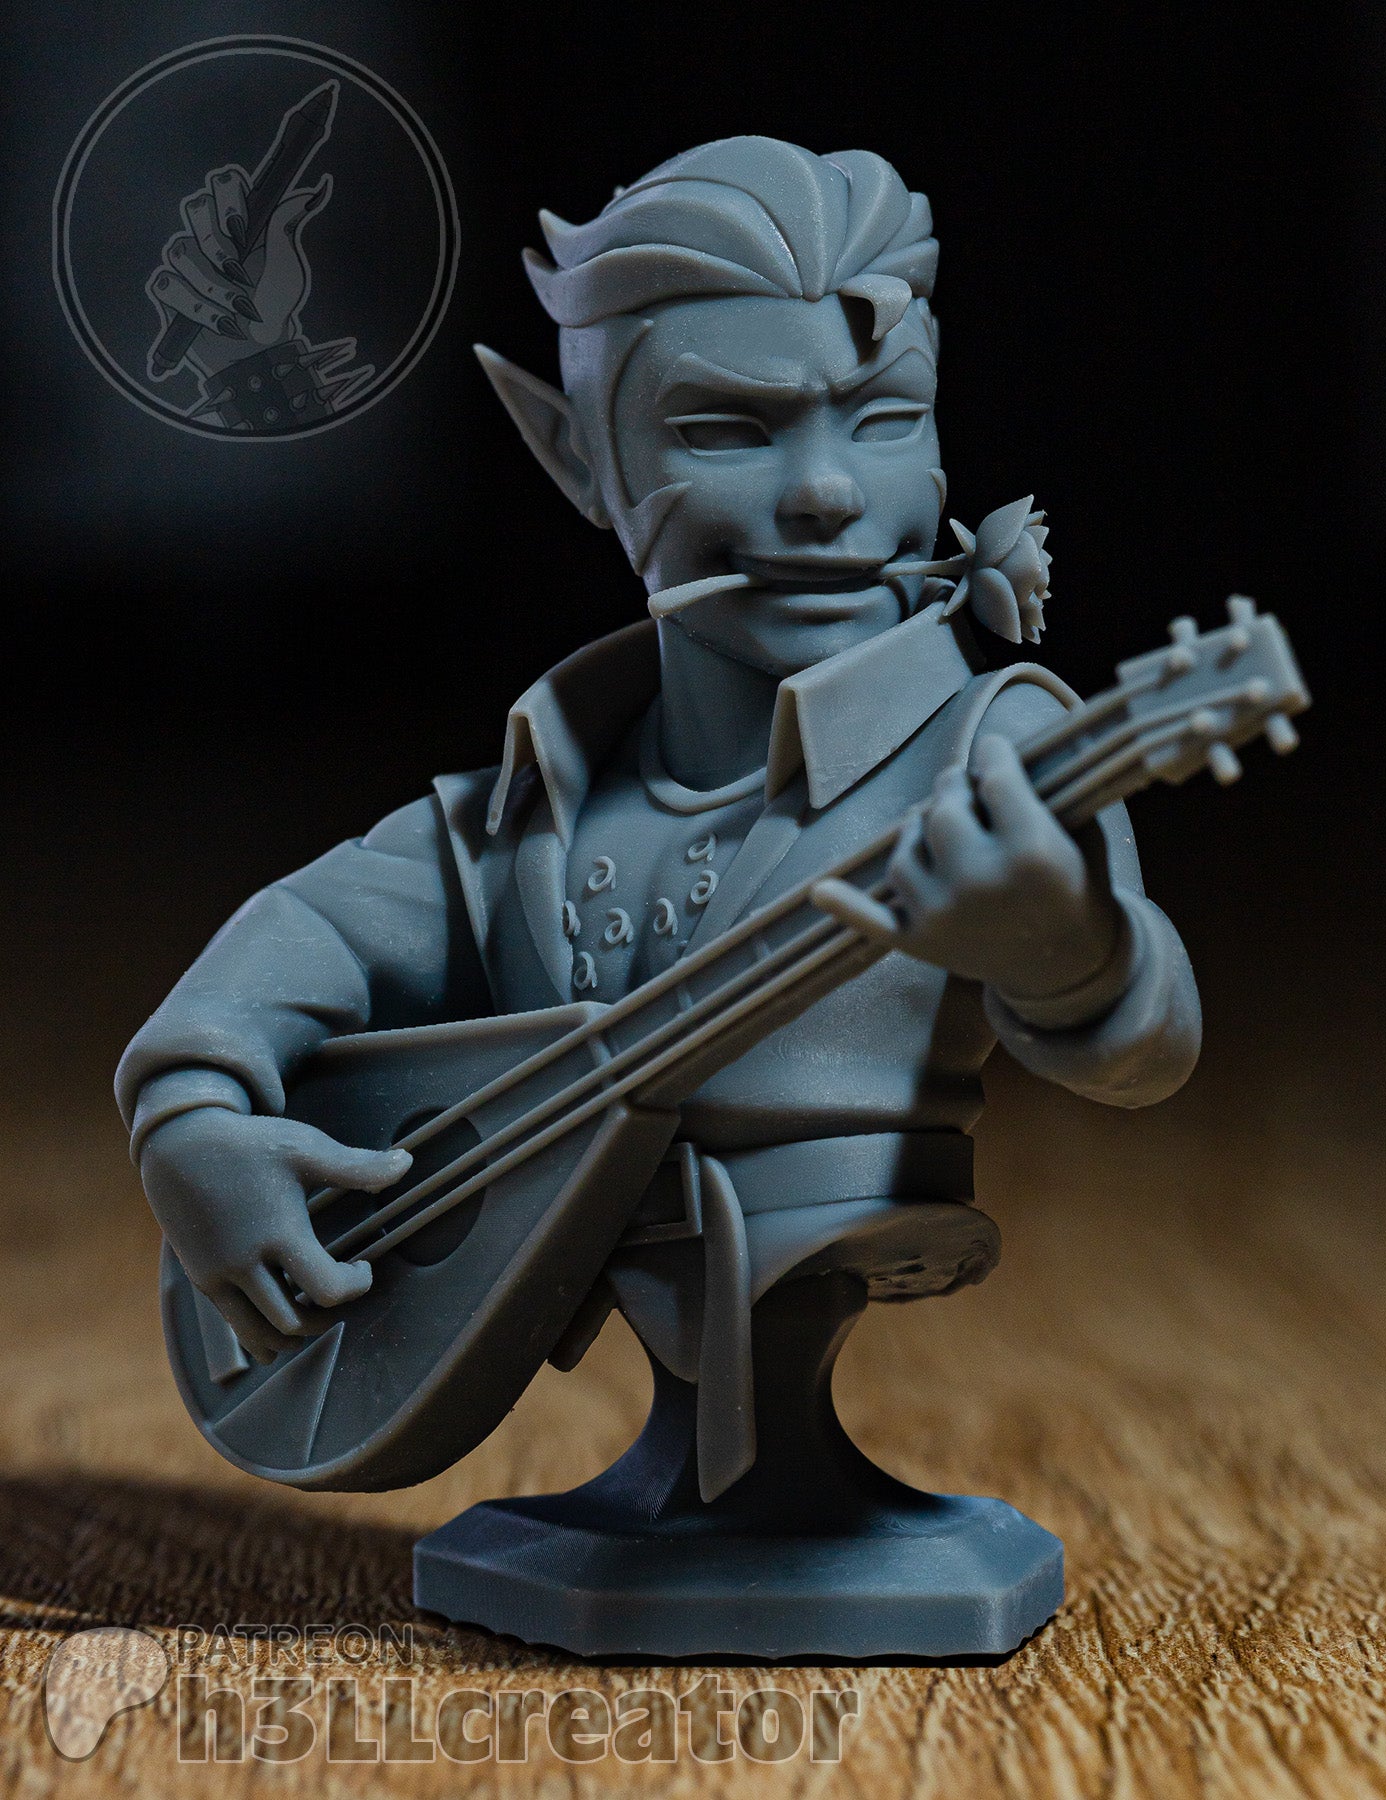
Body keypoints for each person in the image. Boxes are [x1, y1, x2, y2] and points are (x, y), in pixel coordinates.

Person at [117, 136, 1201, 1650]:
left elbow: (1149, 1041)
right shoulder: (535, 798)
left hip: (835, 1225)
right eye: (727, 428)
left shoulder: (987, 751)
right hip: (561, 1228)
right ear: (578, 458)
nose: (827, 492)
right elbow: (304, 930)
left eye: (884, 418)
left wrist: (1065, 949)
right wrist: (191, 1113)